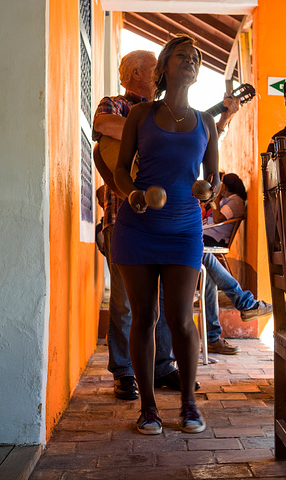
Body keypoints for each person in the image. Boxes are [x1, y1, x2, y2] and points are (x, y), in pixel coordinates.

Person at [112, 35, 218, 435]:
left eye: (195, 57)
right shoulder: (141, 115)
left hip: (184, 229)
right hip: (137, 227)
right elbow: (121, 169)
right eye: (182, 56)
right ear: (164, 67)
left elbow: (215, 178)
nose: (190, 61)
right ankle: (149, 407)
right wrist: (134, 194)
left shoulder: (206, 122)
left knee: (180, 318)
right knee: (144, 316)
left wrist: (209, 190)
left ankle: (189, 404)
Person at [92, 50, 181, 400]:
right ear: (134, 73)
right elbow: (102, 126)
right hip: (122, 217)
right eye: (155, 70)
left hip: (162, 218)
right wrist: (149, 135)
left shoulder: (166, 110)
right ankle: (123, 370)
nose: (160, 76)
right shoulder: (114, 103)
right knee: (126, 302)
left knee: (162, 298)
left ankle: (161, 367)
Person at [201, 173, 273, 355]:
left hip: (212, 239)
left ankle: (243, 304)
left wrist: (215, 200)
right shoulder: (230, 199)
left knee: (206, 257)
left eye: (221, 185)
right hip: (204, 238)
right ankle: (213, 337)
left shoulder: (235, 201)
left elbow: (217, 219)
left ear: (226, 186)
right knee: (208, 272)